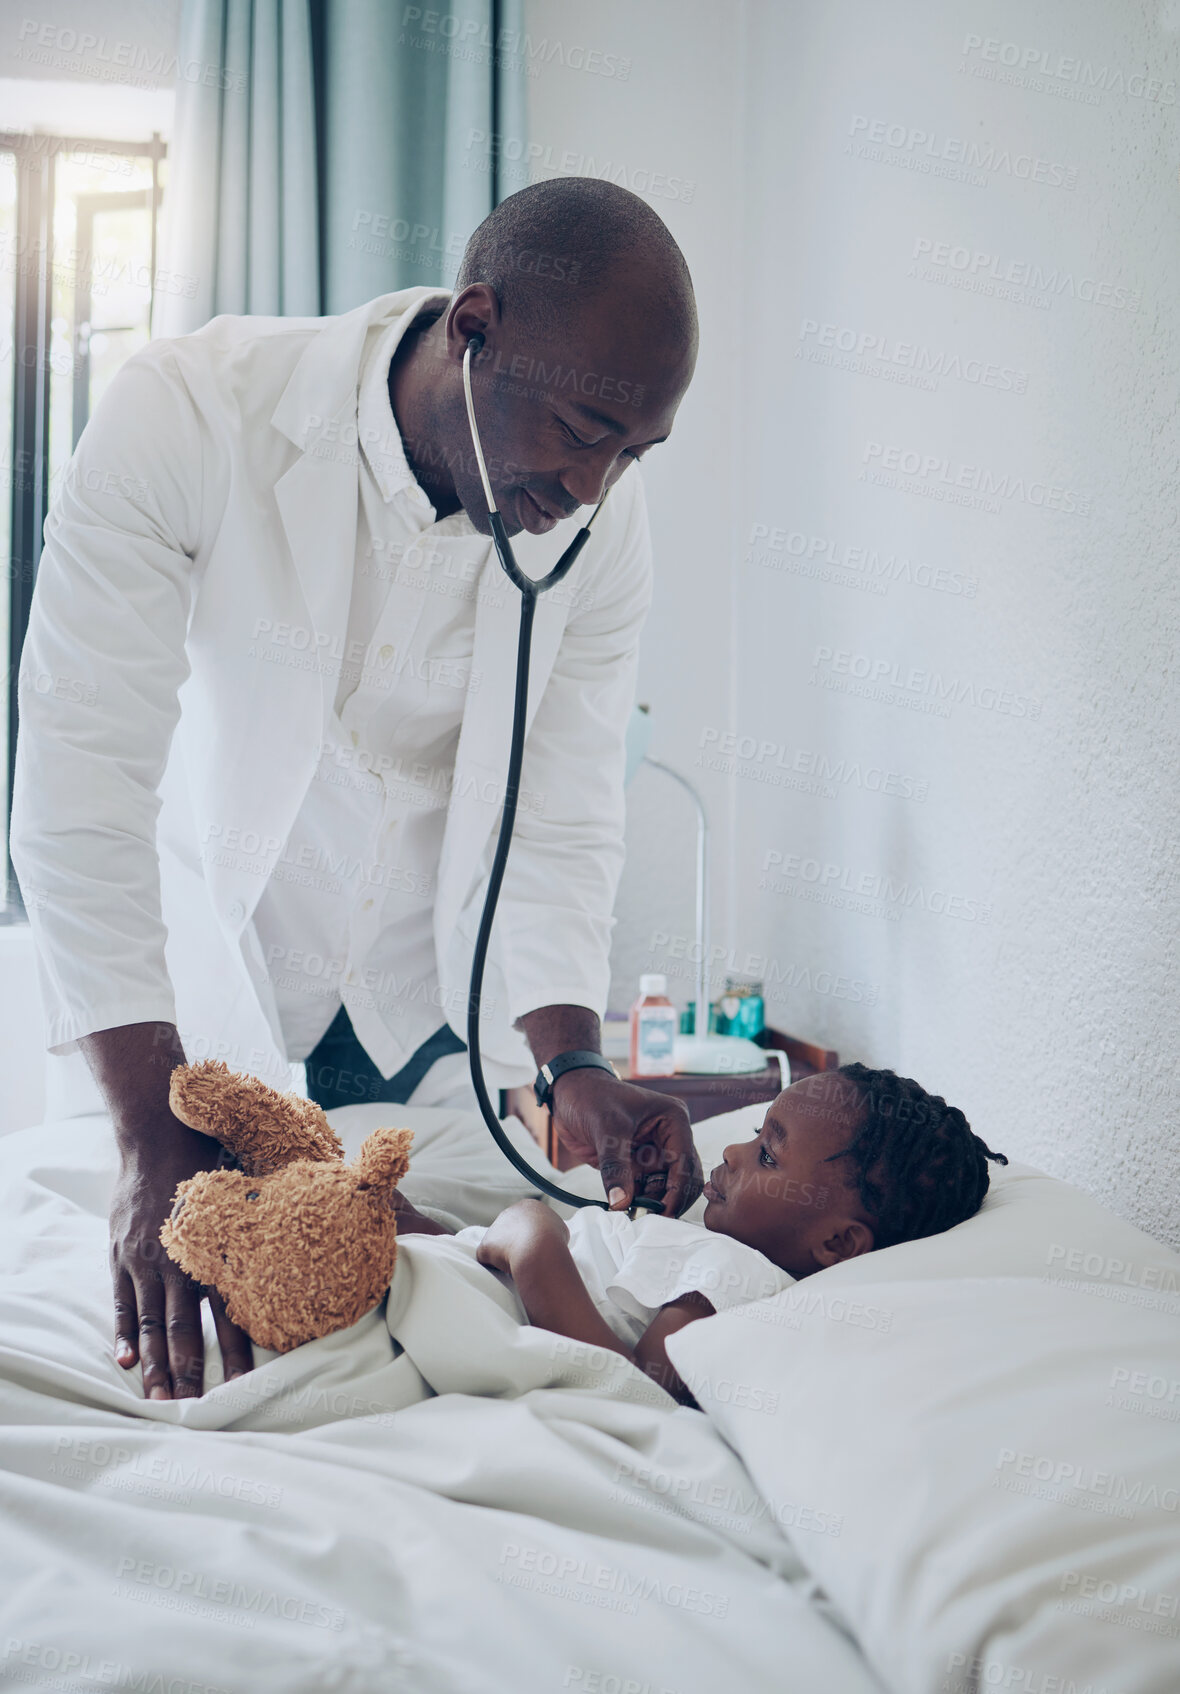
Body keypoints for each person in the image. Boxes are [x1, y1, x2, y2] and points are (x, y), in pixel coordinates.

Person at [9, 177, 703, 1401]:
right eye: (586, 431)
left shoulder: (602, 526)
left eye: (633, 453)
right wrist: (149, 1132)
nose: (596, 488)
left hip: (425, 1033)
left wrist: (571, 1061)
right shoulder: (187, 413)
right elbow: (80, 782)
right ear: (473, 326)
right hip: (193, 1017)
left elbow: (565, 804)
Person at [390, 1063, 1010, 1403]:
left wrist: (534, 1236)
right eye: (756, 1132)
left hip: (480, 1294)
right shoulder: (715, 1250)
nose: (735, 1151)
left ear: (838, 1245)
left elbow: (627, 1386)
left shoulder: (737, 1280)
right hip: (471, 1265)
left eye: (768, 1156)